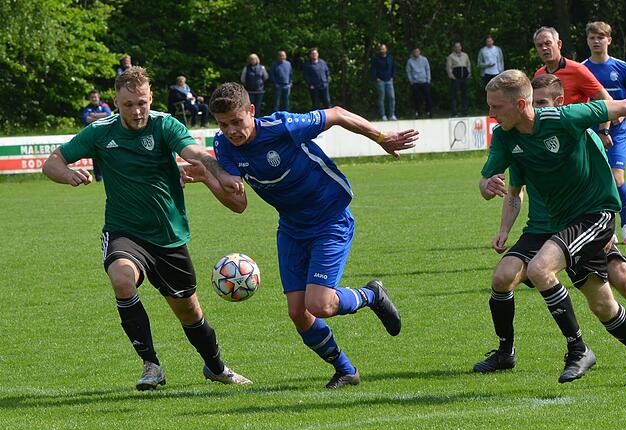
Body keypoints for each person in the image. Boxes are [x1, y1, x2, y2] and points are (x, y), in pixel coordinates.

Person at [181, 82, 418, 388]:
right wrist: (207, 178)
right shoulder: (224, 147)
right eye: (224, 125)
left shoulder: (282, 126)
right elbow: (238, 203)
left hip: (330, 218)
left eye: (237, 122)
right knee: (298, 312)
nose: (232, 131)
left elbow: (336, 114)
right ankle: (346, 370)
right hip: (292, 228)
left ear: (251, 111)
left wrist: (382, 137)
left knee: (319, 304)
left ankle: (372, 295)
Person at [479, 70, 626, 384]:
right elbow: (490, 180)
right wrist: (486, 185)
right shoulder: (505, 136)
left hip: (595, 215)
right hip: (557, 226)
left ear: (519, 104)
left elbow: (624, 106)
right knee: (602, 303)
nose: (490, 113)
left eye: (496, 107)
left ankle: (579, 348)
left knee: (542, 269)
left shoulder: (564, 118)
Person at [41, 67, 251, 391]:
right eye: (128, 105)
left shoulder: (165, 124)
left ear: (151, 97)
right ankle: (151, 365)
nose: (137, 111)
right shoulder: (100, 132)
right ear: (116, 102)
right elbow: (52, 162)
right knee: (122, 278)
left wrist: (219, 173)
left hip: (168, 235)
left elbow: (193, 152)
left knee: (190, 313)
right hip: (124, 231)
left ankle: (216, 367)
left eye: (142, 102)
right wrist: (67, 174)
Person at [582, 22, 626, 245]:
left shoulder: (622, 68)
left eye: (601, 37)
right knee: (594, 179)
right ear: (587, 41)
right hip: (590, 131)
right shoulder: (582, 69)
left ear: (609, 39)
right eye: (592, 37)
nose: (596, 41)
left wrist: (624, 112)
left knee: (617, 177)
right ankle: (603, 227)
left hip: (617, 131)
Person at [532, 26, 614, 149]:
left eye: (548, 43)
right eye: (539, 45)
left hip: (577, 138)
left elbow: (606, 99)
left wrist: (603, 131)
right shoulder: (539, 74)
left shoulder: (577, 70)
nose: (544, 48)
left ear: (559, 44)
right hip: (549, 138)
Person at [81, 89, 112, 181]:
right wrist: (100, 117)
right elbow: (86, 119)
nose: (94, 99)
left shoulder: (104, 105)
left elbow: (108, 115)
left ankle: (109, 174)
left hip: (105, 134)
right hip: (93, 135)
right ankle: (98, 176)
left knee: (108, 154)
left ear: (98, 97)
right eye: (92, 97)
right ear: (90, 98)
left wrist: (94, 115)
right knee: (95, 156)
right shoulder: (87, 108)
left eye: (95, 97)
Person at [372, 44, 396, 121]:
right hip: (380, 81)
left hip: (389, 80)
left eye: (383, 49)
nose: (382, 50)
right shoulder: (376, 58)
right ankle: (383, 115)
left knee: (391, 97)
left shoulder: (390, 57)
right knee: (381, 98)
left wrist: (392, 77)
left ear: (386, 49)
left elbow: (393, 67)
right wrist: (376, 78)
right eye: (381, 49)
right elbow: (373, 69)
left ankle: (392, 115)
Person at [406, 47, 432, 118]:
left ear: (420, 52)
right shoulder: (410, 61)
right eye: (415, 52)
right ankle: (418, 112)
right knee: (416, 98)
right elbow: (408, 71)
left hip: (424, 81)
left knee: (428, 97)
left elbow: (427, 69)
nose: (416, 53)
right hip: (415, 82)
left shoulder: (424, 59)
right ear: (413, 52)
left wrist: (428, 79)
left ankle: (428, 112)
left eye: (417, 51)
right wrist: (411, 80)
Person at [446, 42, 471, 117]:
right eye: (456, 47)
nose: (458, 48)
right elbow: (448, 68)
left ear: (461, 47)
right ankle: (454, 113)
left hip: (464, 78)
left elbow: (468, 65)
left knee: (465, 95)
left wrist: (468, 73)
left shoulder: (465, 55)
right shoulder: (451, 56)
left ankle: (465, 112)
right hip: (455, 78)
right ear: (454, 48)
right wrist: (452, 76)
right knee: (454, 96)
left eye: (459, 46)